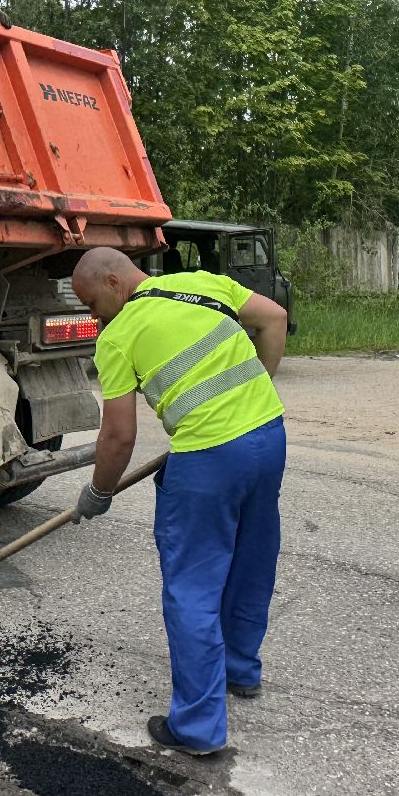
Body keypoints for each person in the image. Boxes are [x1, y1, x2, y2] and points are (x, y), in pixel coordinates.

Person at [69, 247, 290, 755]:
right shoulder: (204, 284)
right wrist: (256, 388)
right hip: (268, 436)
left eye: (90, 302)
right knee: (252, 560)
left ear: (112, 281)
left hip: (209, 459)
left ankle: (196, 727)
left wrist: (99, 492)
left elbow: (119, 437)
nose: (91, 314)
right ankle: (241, 671)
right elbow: (274, 318)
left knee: (192, 583)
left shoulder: (119, 337)